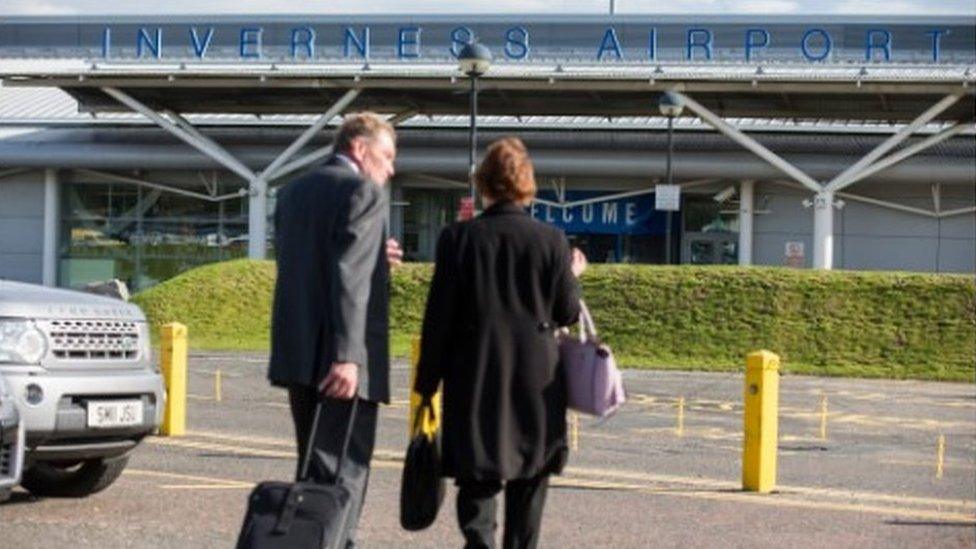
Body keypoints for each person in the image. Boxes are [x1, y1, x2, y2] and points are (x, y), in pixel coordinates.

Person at [415, 137, 588, 549]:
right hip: (535, 378)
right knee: (530, 481)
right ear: (527, 184)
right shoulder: (551, 240)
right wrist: (573, 275)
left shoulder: (458, 239)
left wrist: (427, 384)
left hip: (475, 373)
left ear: (483, 184)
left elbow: (438, 319)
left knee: (476, 478)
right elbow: (566, 312)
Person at [267, 112, 402, 548]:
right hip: (342, 361)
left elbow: (312, 262)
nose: (391, 168)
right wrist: (348, 355)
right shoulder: (362, 190)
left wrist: (374, 257)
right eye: (386, 156)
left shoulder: (292, 192)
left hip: (298, 353)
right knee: (343, 474)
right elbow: (347, 276)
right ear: (359, 149)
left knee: (312, 471)